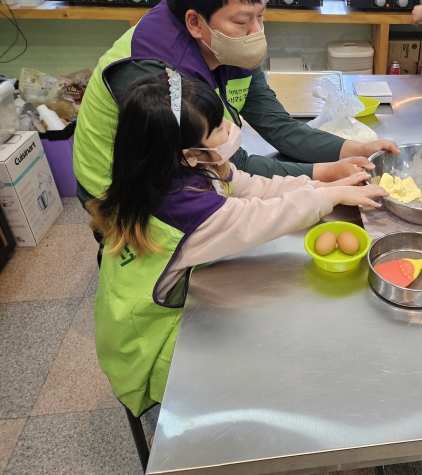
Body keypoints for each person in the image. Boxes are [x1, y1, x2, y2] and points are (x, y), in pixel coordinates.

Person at [89, 70, 388, 417]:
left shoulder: (180, 167)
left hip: (158, 304)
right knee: (258, 369)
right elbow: (259, 218)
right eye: (217, 127)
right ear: (189, 153)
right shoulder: (183, 208)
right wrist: (333, 194)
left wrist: (324, 188)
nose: (229, 128)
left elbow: (254, 188)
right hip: (149, 340)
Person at [74, 0, 399, 208]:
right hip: (120, 189)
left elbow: (278, 126)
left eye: (261, 17)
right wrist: (323, 175)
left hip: (182, 170)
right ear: (195, 22)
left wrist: (356, 148)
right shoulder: (159, 79)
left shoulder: (227, 43)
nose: (256, 32)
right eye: (244, 21)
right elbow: (225, 164)